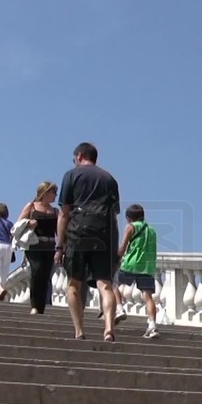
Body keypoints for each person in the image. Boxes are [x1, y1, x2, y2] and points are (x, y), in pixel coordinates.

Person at [55, 142, 121, 341]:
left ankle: (79, 331)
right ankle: (108, 328)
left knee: (74, 283)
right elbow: (114, 215)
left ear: (80, 155)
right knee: (105, 284)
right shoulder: (109, 178)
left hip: (79, 230)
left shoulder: (71, 175)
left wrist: (60, 245)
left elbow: (64, 214)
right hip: (104, 231)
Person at [118, 204, 160, 338]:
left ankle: (119, 308)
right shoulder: (152, 230)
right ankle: (152, 325)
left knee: (115, 285)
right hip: (147, 266)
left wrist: (116, 256)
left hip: (131, 263)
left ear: (129, 218)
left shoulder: (131, 227)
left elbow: (123, 247)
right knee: (147, 297)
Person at [18, 182, 59, 315]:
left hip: (50, 246)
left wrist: (61, 247)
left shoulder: (55, 211)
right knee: (37, 271)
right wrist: (29, 223)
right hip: (34, 245)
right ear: (45, 193)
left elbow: (59, 230)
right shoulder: (31, 207)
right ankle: (35, 305)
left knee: (46, 275)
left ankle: (40, 306)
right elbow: (18, 224)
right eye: (53, 192)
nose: (55, 195)